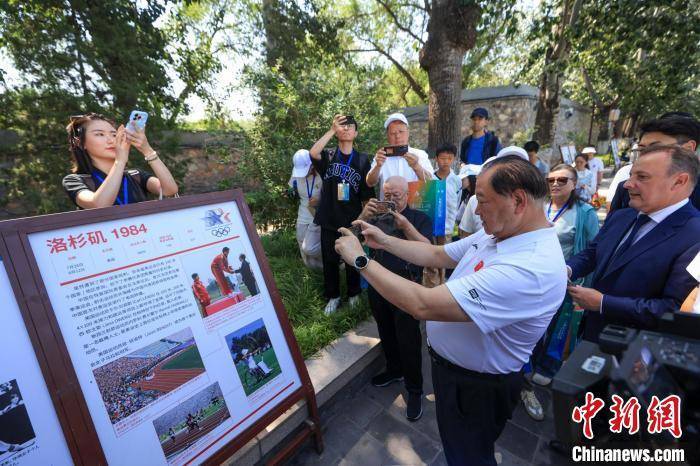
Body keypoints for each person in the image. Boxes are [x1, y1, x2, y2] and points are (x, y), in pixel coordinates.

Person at [335, 155, 567, 465]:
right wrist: (385, 241)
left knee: (468, 456)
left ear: (518, 201)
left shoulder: (529, 269)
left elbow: (422, 303)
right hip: (453, 375)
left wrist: (360, 260)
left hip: (475, 388)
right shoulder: (500, 232)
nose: (474, 209)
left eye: (481, 200)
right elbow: (437, 253)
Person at [567, 145, 700, 342]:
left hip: (636, 353)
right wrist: (567, 269)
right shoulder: (622, 215)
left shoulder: (694, 234)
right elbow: (593, 253)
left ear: (679, 182)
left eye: (642, 177)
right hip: (592, 335)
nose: (628, 184)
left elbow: (673, 309)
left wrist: (604, 303)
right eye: (630, 175)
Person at [519, 164, 600, 421]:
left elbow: (592, 251)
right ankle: (526, 369)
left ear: (574, 183)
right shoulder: (539, 205)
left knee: (558, 327)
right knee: (531, 326)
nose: (555, 184)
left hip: (566, 281)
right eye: (550, 179)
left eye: (562, 180)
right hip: (534, 280)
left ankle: (548, 365)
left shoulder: (585, 213)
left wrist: (582, 282)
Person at [358, 176, 432, 421]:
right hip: (378, 283)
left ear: (407, 195)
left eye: (396, 195)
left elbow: (429, 251)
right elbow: (350, 237)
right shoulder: (377, 219)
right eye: (386, 195)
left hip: (406, 286)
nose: (390, 200)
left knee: (409, 340)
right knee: (386, 331)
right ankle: (393, 370)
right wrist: (364, 215)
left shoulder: (420, 219)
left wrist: (405, 226)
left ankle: (415, 390)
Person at [310, 115, 374, 314]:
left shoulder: (363, 159)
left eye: (350, 126)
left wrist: (363, 222)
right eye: (342, 126)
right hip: (329, 219)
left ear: (355, 133)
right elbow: (313, 152)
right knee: (329, 261)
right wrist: (331, 129)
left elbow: (367, 194)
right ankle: (334, 296)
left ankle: (354, 294)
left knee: (352, 260)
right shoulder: (329, 155)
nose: (345, 129)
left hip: (352, 220)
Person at [63, 113, 178, 209]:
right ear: (80, 143)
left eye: (114, 134)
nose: (111, 140)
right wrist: (120, 161)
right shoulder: (74, 181)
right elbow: (99, 204)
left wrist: (147, 150)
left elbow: (170, 190)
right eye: (99, 134)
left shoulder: (135, 176)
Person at [609, 114, 700, 212]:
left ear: (688, 148)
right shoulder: (626, 189)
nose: (646, 156)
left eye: (656, 148)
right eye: (642, 149)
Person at [366, 112, 434, 199]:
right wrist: (378, 166)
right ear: (387, 136)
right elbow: (370, 183)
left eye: (401, 132)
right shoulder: (382, 156)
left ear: (408, 132)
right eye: (393, 133)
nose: (397, 136)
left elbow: (431, 183)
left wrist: (416, 166)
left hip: (415, 207)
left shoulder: (420, 154)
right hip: (388, 208)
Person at [289, 149, 322, 269]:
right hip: (304, 212)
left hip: (319, 214)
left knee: (312, 247)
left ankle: (332, 263)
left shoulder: (322, 172)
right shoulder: (296, 173)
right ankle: (312, 270)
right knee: (301, 241)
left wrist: (319, 200)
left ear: (312, 165)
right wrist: (291, 192)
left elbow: (335, 195)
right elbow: (292, 187)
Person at [433, 144, 463, 241]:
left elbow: (457, 201)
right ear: (436, 159)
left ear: (454, 159)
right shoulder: (430, 178)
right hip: (431, 223)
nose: (446, 161)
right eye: (442, 158)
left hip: (447, 226)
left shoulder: (456, 180)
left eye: (449, 158)